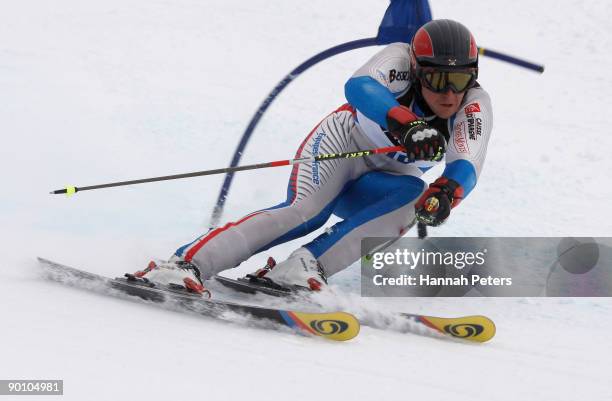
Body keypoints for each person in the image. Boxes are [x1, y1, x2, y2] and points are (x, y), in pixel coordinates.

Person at [133, 19, 493, 295]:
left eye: (459, 81)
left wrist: (445, 195)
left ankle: (303, 266)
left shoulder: (474, 107)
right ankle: (183, 263)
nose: (448, 94)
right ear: (417, 71)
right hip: (341, 144)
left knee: (415, 195)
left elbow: (465, 166)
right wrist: (406, 123)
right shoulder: (399, 59)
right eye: (436, 78)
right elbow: (359, 87)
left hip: (382, 182)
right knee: (305, 213)